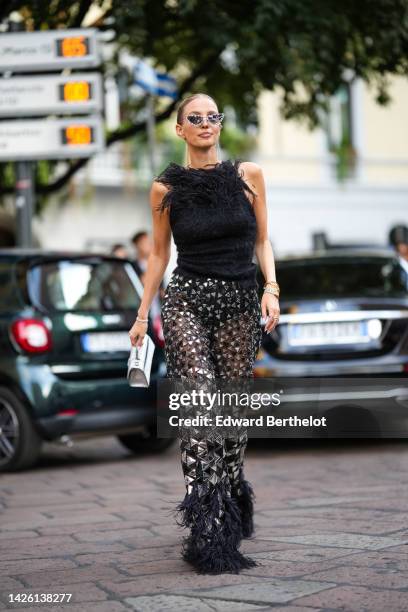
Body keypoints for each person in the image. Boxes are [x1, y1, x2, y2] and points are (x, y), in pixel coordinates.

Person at [128, 92, 280, 574]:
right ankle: (206, 523)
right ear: (180, 129)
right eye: (195, 118)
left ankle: (232, 497)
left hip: (239, 304)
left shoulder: (248, 177)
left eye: (214, 116)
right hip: (187, 300)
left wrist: (271, 288)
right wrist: (140, 314)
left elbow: (261, 240)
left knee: (231, 417)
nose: (206, 123)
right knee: (199, 406)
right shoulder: (164, 188)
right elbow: (158, 255)